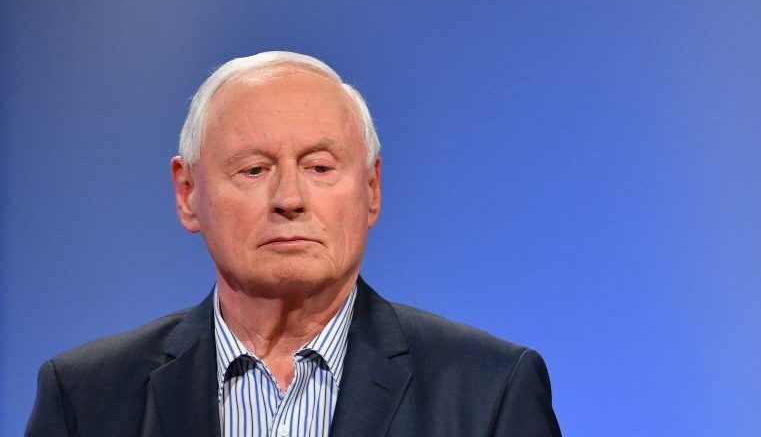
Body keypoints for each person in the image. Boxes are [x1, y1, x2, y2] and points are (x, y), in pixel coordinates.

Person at [26, 51, 561, 436]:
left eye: (320, 167)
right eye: (254, 170)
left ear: (371, 189)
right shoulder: (84, 397)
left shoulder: (489, 391)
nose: (289, 199)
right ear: (187, 193)